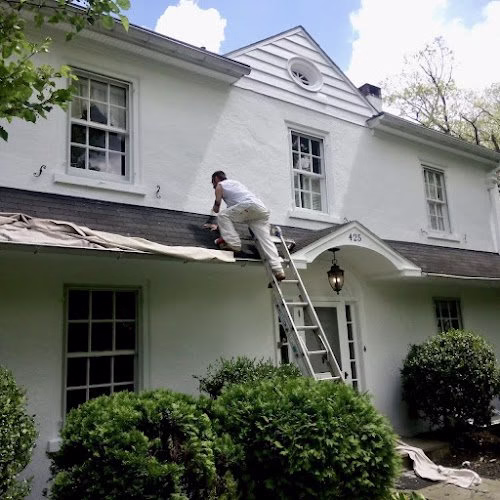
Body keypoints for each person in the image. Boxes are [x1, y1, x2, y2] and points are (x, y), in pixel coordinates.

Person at [205, 171, 286, 280]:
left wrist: (212, 216)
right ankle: (278, 270)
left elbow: (217, 208)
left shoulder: (220, 185)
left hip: (249, 207)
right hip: (260, 210)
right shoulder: (235, 184)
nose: (213, 186)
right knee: (265, 240)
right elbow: (232, 215)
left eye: (213, 182)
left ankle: (234, 244)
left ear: (216, 179)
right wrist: (219, 226)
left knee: (222, 215)